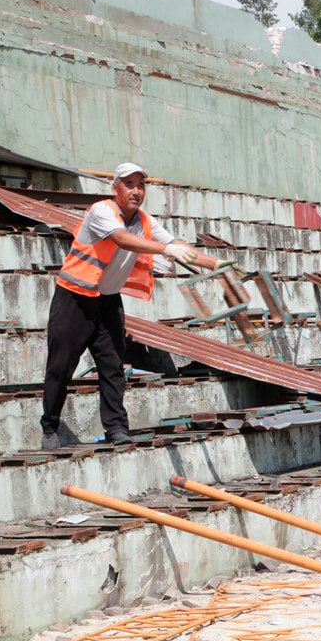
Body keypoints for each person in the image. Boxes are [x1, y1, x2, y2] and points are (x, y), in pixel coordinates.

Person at [40, 163, 223, 449]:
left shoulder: (145, 221)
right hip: (74, 298)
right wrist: (165, 249)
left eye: (141, 185)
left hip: (108, 301)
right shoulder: (102, 211)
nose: (136, 191)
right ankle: (49, 426)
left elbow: (178, 244)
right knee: (61, 367)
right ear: (115, 189)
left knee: (112, 368)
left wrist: (216, 264)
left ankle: (116, 429)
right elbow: (122, 240)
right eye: (129, 185)